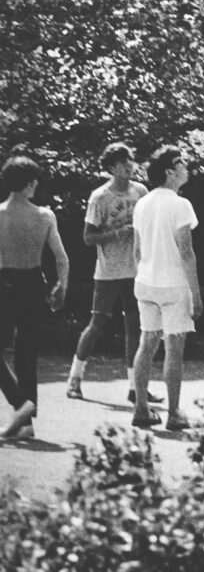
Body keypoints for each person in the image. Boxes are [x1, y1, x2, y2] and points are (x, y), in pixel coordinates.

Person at [66, 143, 162, 406]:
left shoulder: (141, 191)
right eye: (123, 163)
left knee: (135, 327)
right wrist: (117, 233)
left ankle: (135, 387)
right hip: (108, 272)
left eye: (130, 160)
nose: (130, 165)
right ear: (111, 169)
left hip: (136, 271)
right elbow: (88, 237)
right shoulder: (100, 197)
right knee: (97, 325)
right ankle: (74, 379)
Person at [131, 146, 202, 432]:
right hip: (173, 285)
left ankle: (141, 409)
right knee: (174, 348)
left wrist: (146, 275)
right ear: (169, 172)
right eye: (181, 164)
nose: (186, 168)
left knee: (146, 343)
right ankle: (173, 414)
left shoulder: (142, 203)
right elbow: (186, 253)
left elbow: (136, 252)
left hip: (145, 283)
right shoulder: (180, 204)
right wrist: (196, 294)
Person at [0, 154, 69, 440]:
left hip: (5, 282)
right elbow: (61, 258)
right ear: (29, 185)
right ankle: (26, 421)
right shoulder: (45, 216)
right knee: (27, 353)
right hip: (33, 283)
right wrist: (61, 285)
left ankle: (20, 405)